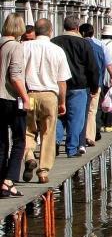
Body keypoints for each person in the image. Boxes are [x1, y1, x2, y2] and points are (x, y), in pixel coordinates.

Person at [21, 18, 69, 185]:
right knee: (48, 133)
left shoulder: (24, 47)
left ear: (35, 31)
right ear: (50, 32)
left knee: (27, 130)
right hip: (49, 95)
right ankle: (43, 172)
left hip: (29, 95)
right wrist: (62, 102)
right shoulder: (57, 50)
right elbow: (62, 81)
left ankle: (28, 157)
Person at [52, 16, 98, 157]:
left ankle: (55, 141)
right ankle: (71, 148)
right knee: (76, 118)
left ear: (63, 27)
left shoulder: (54, 42)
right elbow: (92, 67)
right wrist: (94, 86)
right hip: (78, 85)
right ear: (77, 28)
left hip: (57, 85)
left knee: (59, 115)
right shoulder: (83, 44)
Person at [0, 13, 31, 198]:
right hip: (10, 99)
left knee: (2, 142)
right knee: (20, 140)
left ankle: (1, 179)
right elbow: (15, 76)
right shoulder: (16, 47)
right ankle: (9, 180)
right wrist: (25, 98)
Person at [78, 22, 112, 148]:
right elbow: (108, 63)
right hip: (96, 83)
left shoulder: (79, 45)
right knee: (92, 111)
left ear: (81, 33)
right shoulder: (100, 46)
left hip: (80, 84)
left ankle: (79, 138)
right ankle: (89, 136)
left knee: (80, 111)